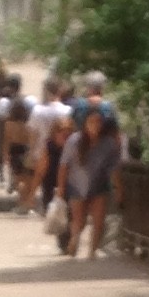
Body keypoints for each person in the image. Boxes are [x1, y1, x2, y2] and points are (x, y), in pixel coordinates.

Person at [59, 99, 124, 257]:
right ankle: (74, 241)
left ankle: (92, 251)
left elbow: (114, 169)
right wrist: (61, 188)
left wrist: (118, 190)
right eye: (92, 122)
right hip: (77, 185)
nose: (95, 125)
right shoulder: (74, 141)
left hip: (99, 185)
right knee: (79, 221)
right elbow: (64, 166)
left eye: (98, 122)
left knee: (98, 221)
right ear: (85, 124)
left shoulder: (108, 144)